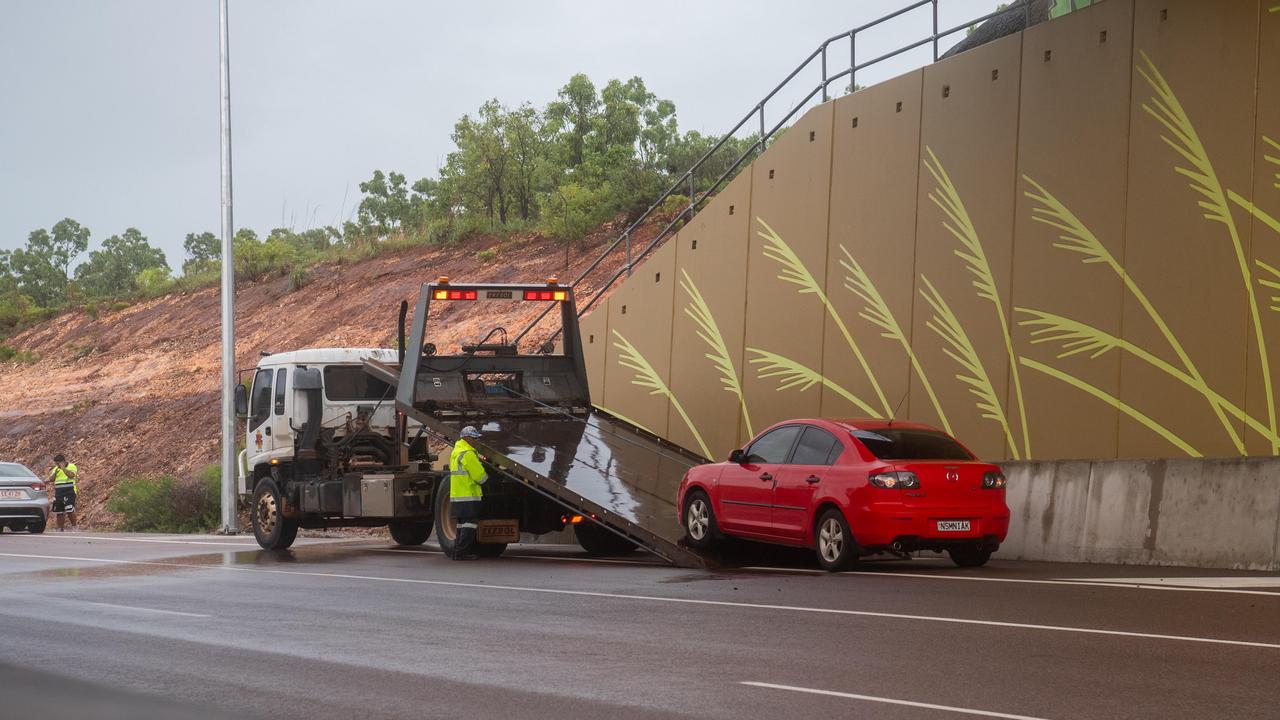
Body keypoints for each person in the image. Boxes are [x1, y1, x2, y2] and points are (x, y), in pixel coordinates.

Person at [448, 426, 488, 560]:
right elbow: (480, 477)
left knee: (461, 525)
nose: (476, 441)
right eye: (474, 438)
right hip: (469, 495)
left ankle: (457, 552)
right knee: (469, 525)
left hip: (457, 496)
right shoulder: (468, 454)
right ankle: (462, 553)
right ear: (467, 438)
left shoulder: (456, 452)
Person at [48, 454, 80, 531]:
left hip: (69, 490)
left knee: (69, 508)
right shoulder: (56, 469)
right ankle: (60, 528)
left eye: (58, 463)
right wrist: (56, 472)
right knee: (59, 510)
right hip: (59, 492)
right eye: (56, 463)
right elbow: (51, 479)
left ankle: (74, 526)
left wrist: (63, 468)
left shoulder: (71, 466)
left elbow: (71, 475)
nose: (57, 465)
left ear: (63, 461)